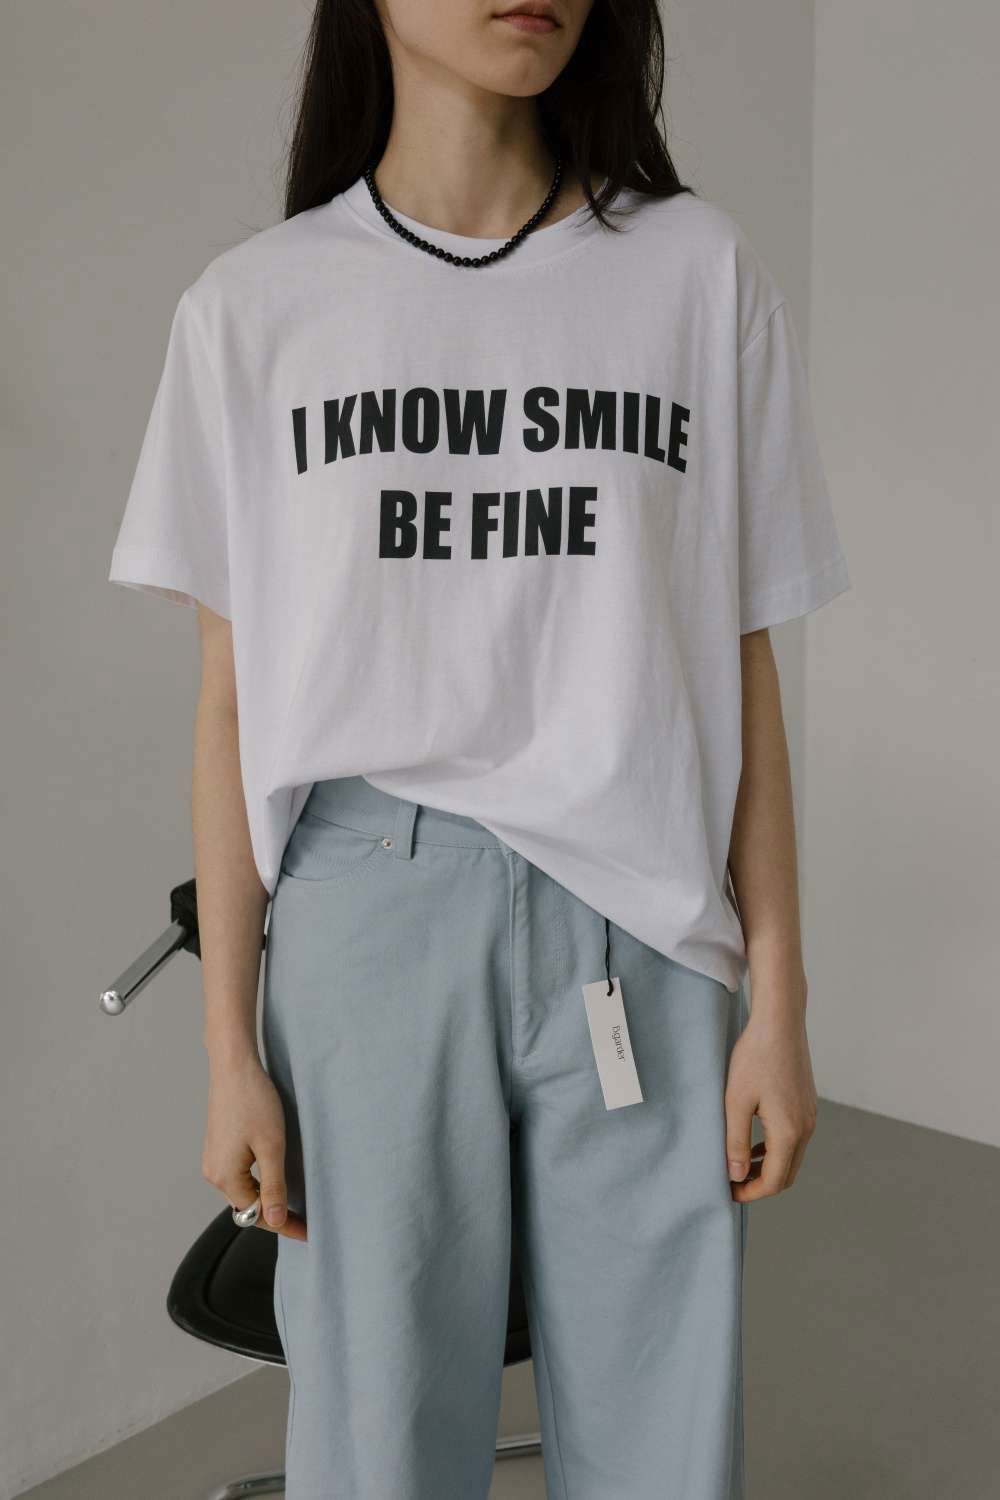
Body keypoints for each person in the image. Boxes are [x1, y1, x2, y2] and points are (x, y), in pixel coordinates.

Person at [107, 1, 851, 1496]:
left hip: (642, 927)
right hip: (370, 921)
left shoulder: (696, 275)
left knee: (661, 1446)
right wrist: (229, 1049)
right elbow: (231, 704)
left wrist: (777, 1000)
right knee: (378, 1441)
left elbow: (739, 663)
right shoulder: (255, 308)